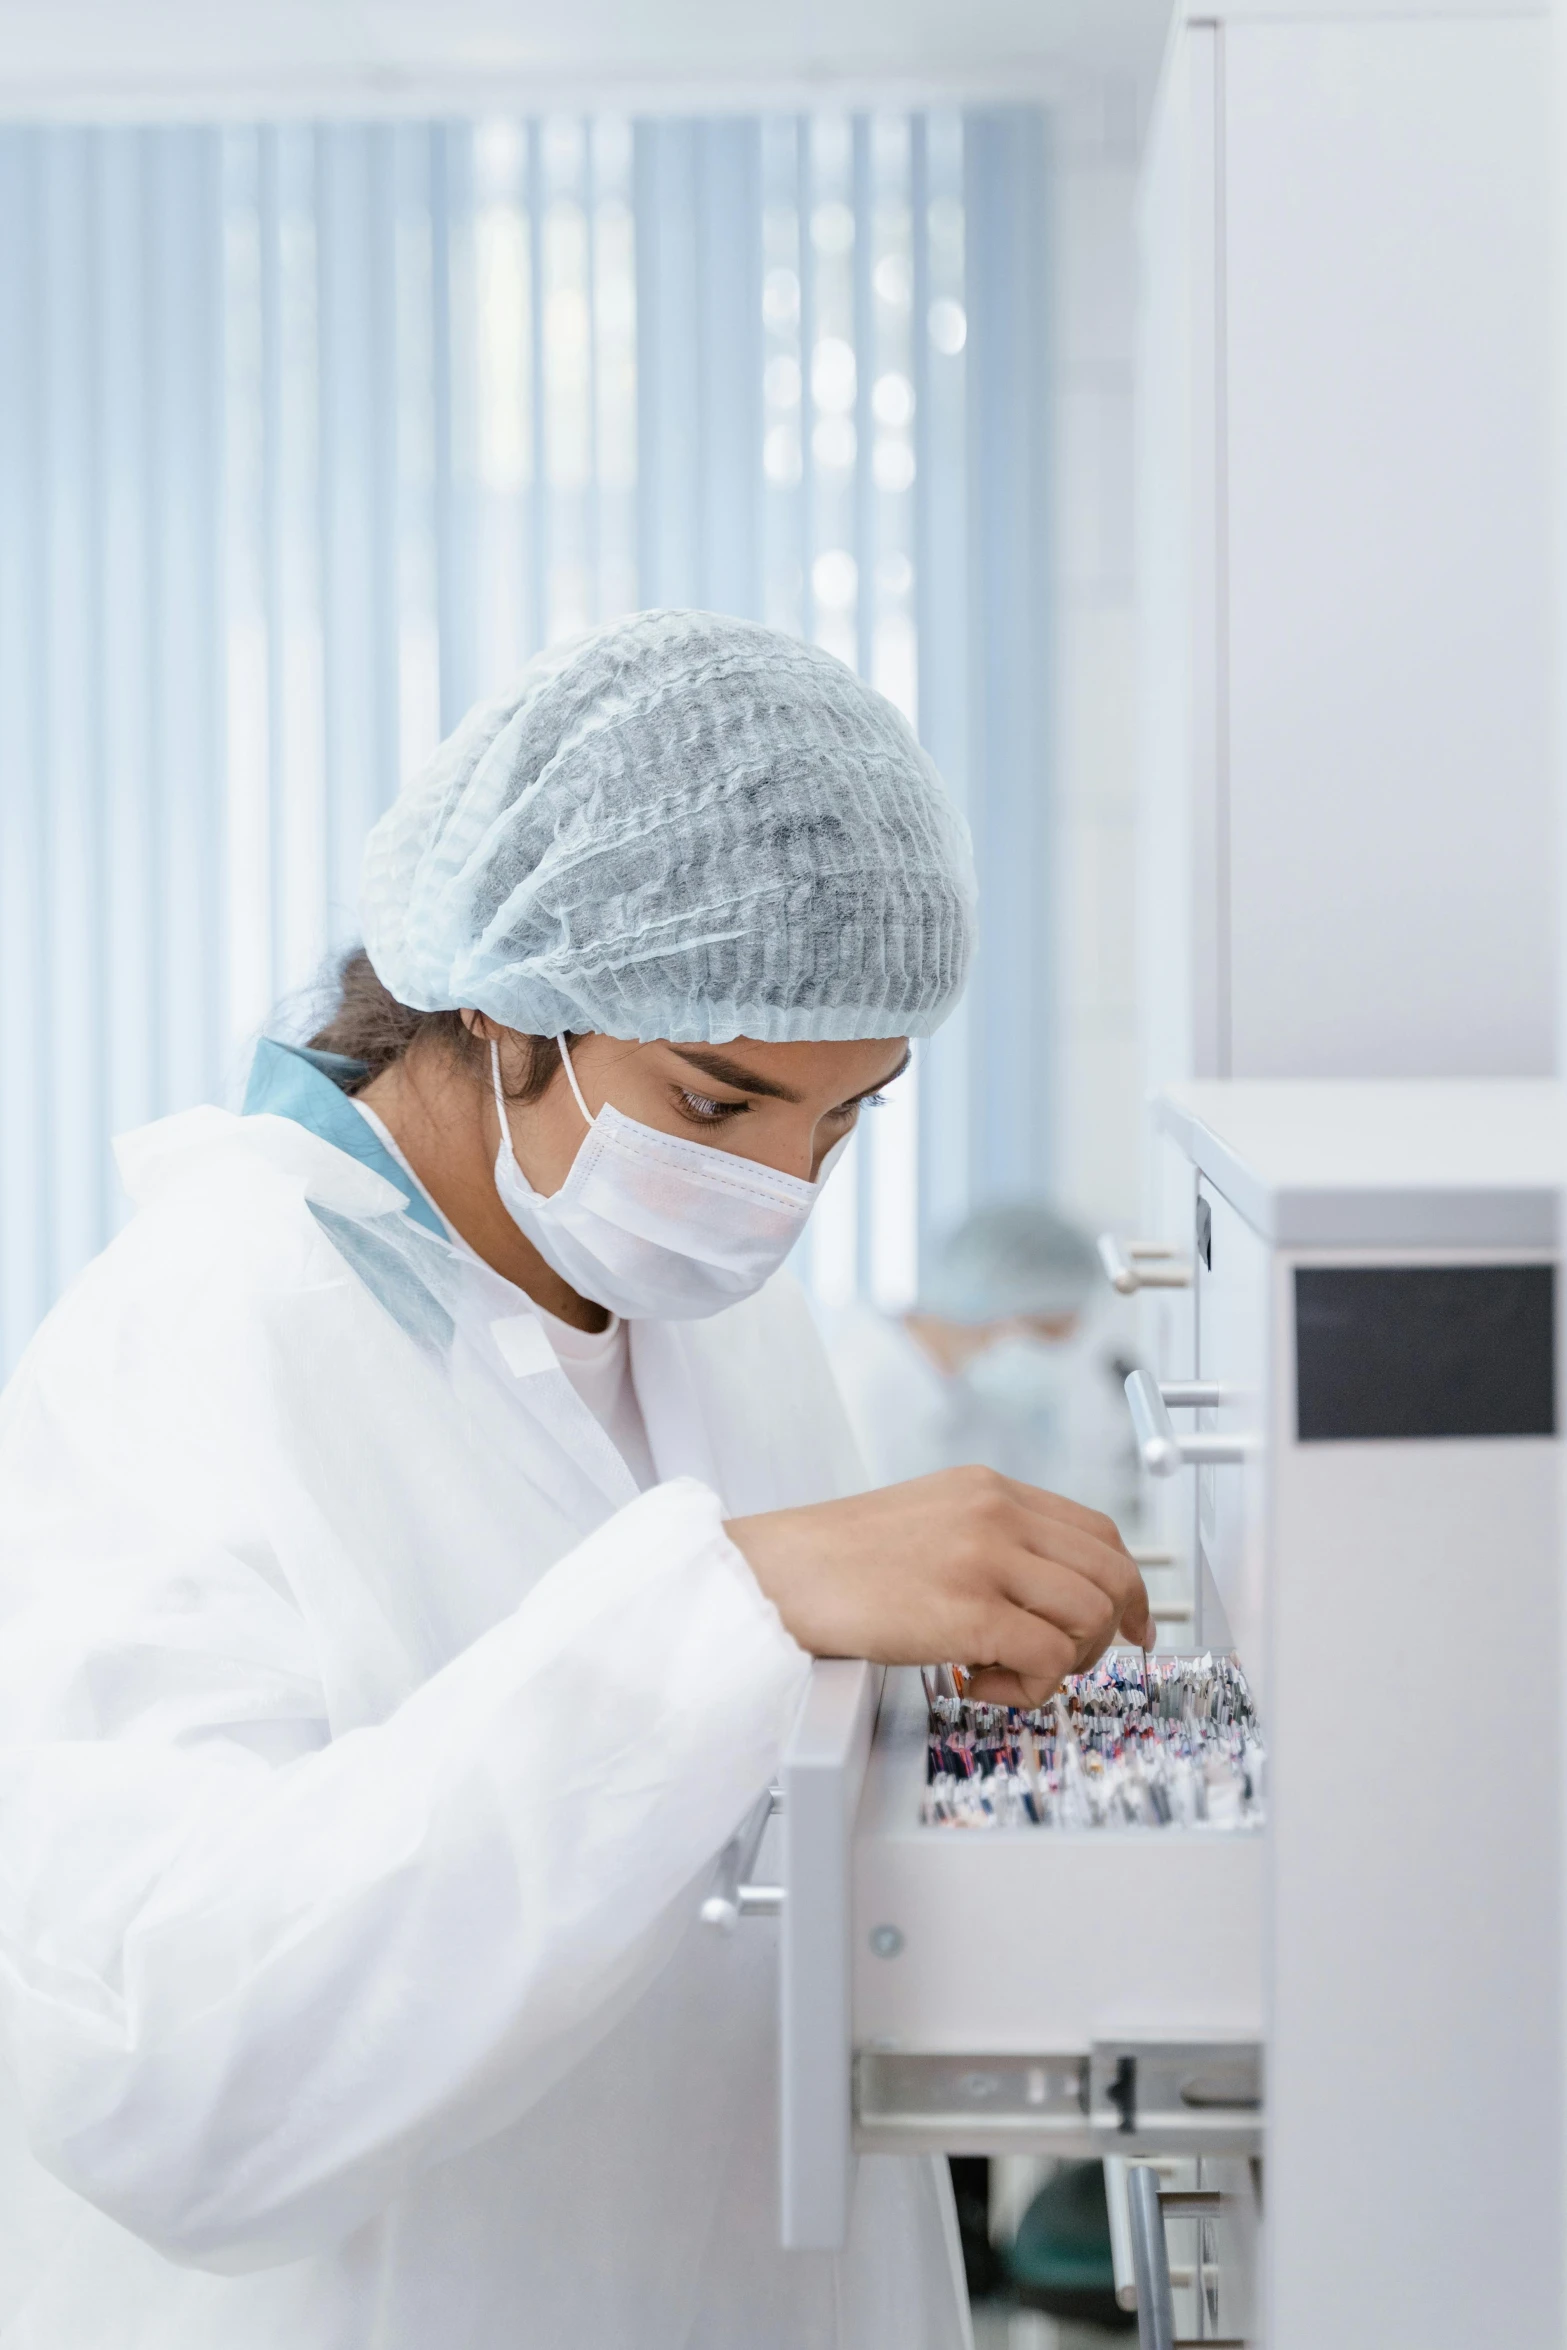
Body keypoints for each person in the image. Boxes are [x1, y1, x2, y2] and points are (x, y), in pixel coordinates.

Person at [0, 611, 1150, 2349]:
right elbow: (173, 2078)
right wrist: (725, 1605)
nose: (779, 1193)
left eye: (844, 1123)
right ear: (503, 998)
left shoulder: (695, 1300)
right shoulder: (193, 1342)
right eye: (715, 1104)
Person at [830, 1203, 1142, 1527]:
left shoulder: (972, 1398)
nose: (1049, 1357)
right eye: (1043, 1332)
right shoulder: (863, 1391)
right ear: (988, 1302)